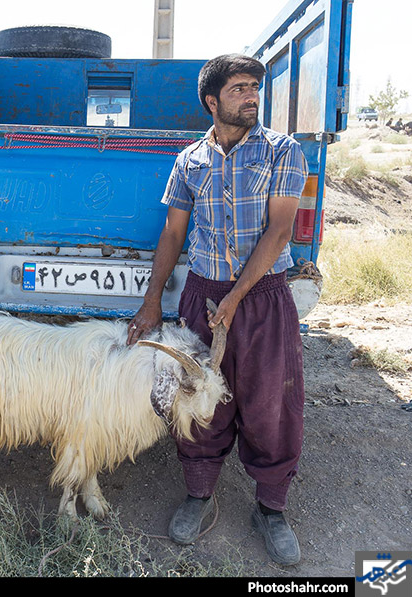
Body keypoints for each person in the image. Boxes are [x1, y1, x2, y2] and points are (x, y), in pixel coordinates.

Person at [126, 54, 308, 566]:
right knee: (198, 398)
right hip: (202, 293)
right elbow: (173, 234)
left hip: (264, 295)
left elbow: (279, 232)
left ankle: (271, 507)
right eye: (239, 89)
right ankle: (200, 494)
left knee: (270, 400)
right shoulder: (189, 162)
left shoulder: (283, 152)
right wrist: (150, 301)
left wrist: (235, 298)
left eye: (255, 88)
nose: (252, 96)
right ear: (212, 101)